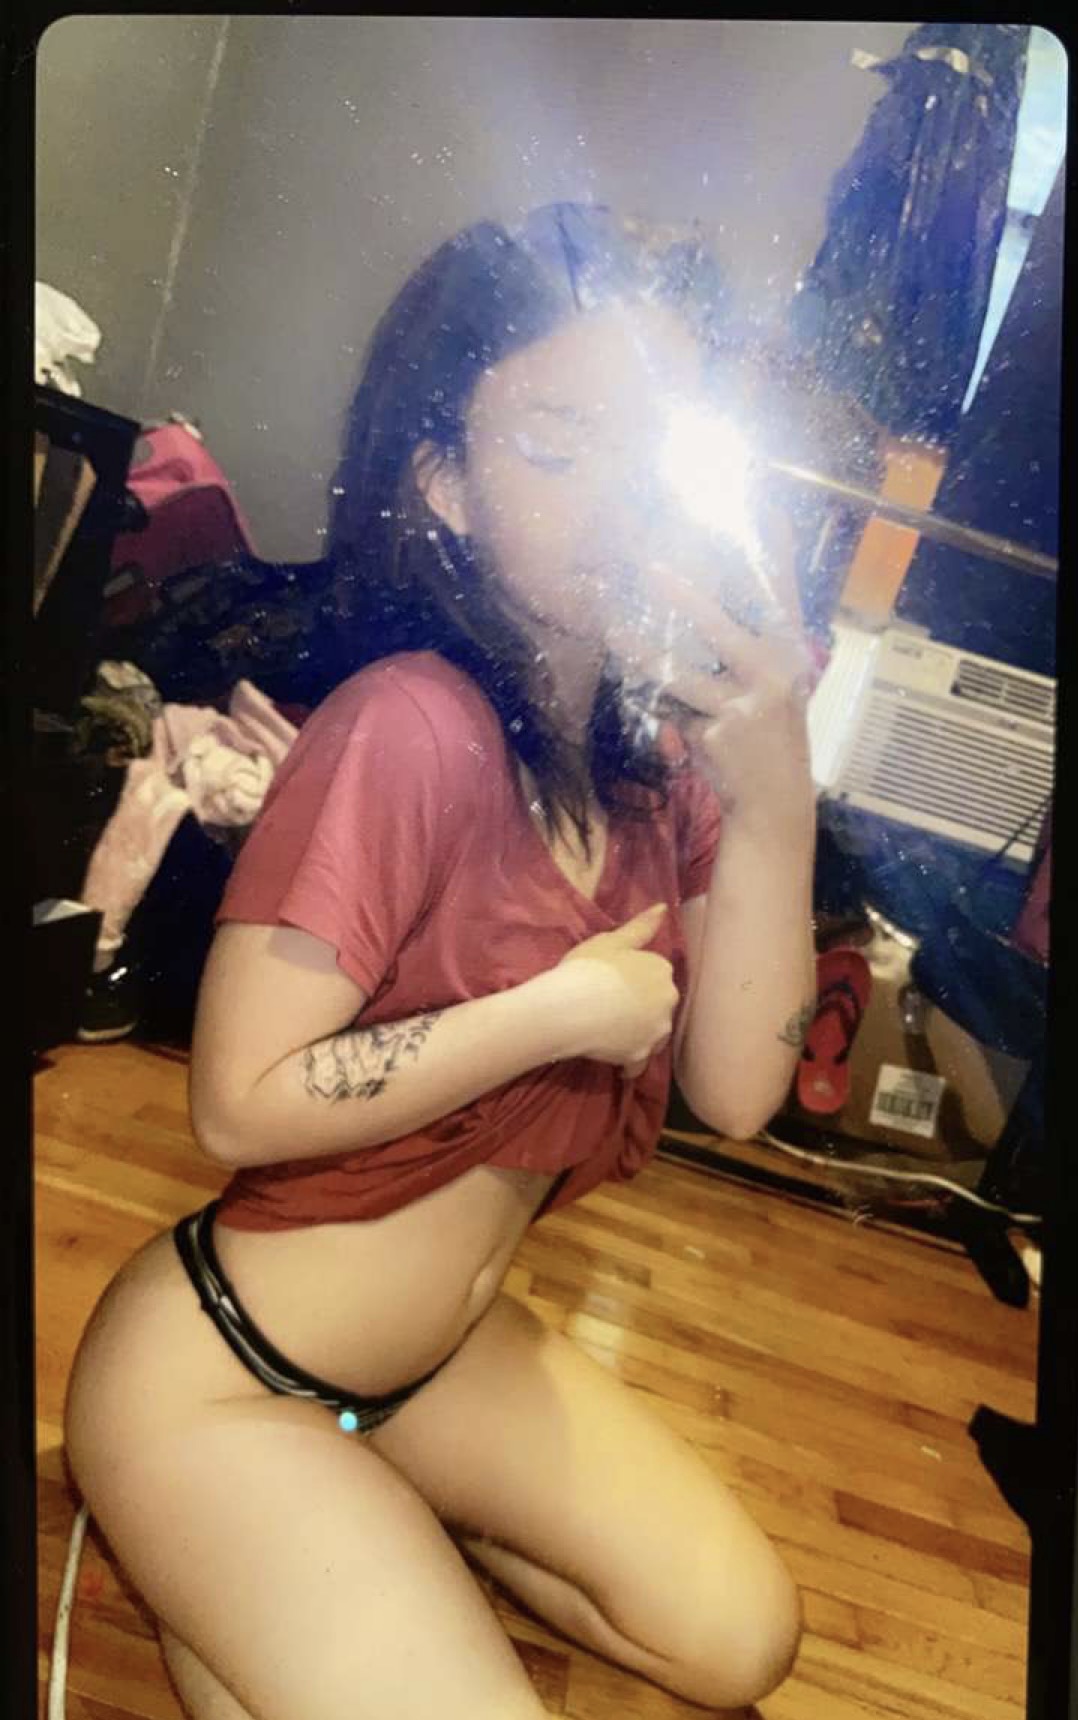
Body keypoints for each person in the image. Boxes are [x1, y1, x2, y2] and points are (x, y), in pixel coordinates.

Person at [65, 203, 819, 1719]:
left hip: (432, 1367)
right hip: (222, 1377)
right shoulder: (406, 723)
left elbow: (740, 1094)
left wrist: (778, 794)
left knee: (741, 1641)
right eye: (554, 441)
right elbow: (237, 1104)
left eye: (647, 445)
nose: (612, 494)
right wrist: (553, 1013)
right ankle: (224, 1544)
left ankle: (295, 1573)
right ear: (446, 485)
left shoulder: (652, 774)